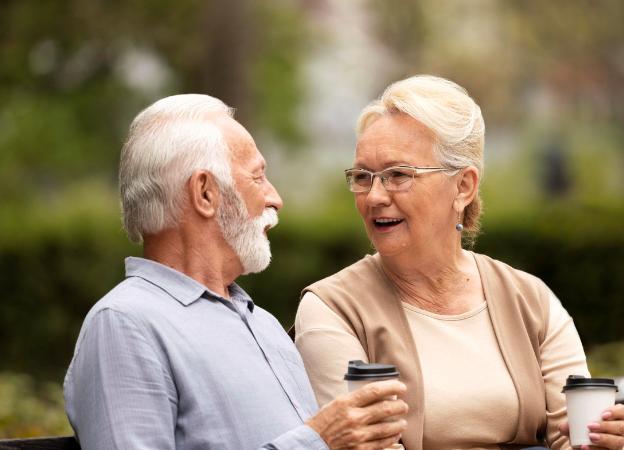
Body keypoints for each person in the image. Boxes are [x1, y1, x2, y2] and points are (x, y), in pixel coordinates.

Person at [294, 76, 624, 450]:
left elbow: (576, 435)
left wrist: (601, 445)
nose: (374, 196)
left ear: (464, 187)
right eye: (362, 176)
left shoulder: (529, 299)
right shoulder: (332, 310)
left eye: (398, 175)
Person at [63, 94, 408, 450]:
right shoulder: (124, 324)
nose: (275, 198)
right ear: (205, 193)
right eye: (258, 177)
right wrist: (319, 441)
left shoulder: (264, 325)